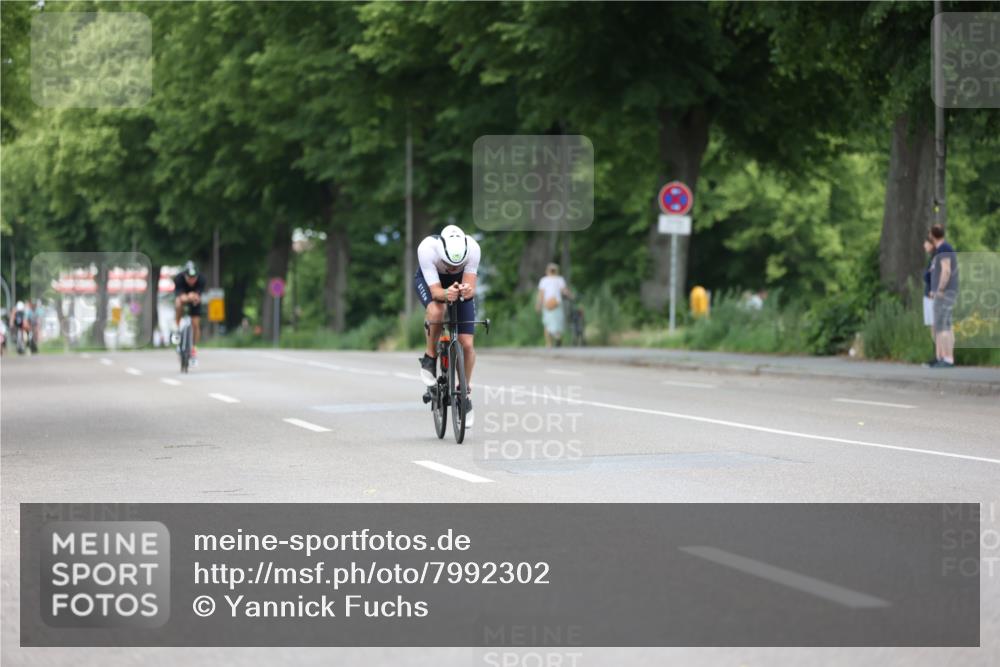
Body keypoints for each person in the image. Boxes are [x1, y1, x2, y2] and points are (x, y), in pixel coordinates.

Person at [414, 225, 481, 425]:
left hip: (459, 284)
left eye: (457, 265)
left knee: (467, 344)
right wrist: (445, 293)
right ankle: (430, 356)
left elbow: (470, 289)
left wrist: (465, 291)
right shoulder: (427, 248)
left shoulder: (474, 248)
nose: (452, 269)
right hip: (432, 282)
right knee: (437, 310)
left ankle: (463, 394)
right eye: (448, 264)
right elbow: (436, 292)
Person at [927, 224, 959, 368]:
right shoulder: (939, 250)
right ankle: (941, 357)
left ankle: (948, 358)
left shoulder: (944, 249)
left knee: (944, 326)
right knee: (941, 326)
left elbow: (946, 271)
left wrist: (940, 289)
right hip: (942, 292)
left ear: (932, 235)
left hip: (945, 293)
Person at [173, 261, 206, 363]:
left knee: (196, 323)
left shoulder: (202, 279)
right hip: (183, 297)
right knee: (178, 303)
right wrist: (188, 297)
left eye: (194, 278)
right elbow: (180, 295)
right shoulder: (178, 278)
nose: (192, 280)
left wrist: (194, 297)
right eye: (189, 278)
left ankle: (193, 348)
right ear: (185, 275)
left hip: (194, 300)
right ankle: (177, 328)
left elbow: (198, 295)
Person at [536, 263, 573, 347]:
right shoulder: (560, 279)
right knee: (557, 322)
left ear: (547, 271)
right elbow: (565, 291)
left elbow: (541, 294)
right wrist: (571, 296)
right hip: (557, 303)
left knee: (547, 323)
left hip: (547, 304)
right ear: (556, 271)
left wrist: (538, 304)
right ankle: (558, 336)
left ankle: (549, 343)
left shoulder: (544, 280)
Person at [921, 236, 937, 362]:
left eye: (926, 243)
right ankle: (936, 355)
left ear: (932, 244)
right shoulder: (931, 258)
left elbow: (932, 276)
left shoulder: (936, 257)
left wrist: (934, 289)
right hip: (928, 295)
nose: (924, 245)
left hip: (933, 296)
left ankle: (939, 356)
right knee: (932, 326)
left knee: (935, 326)